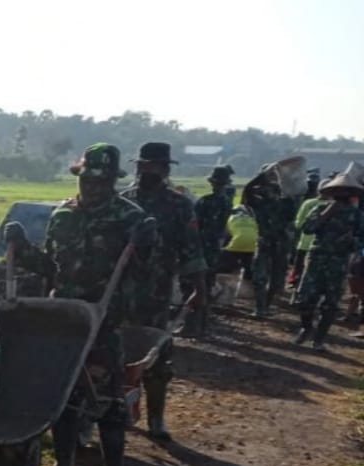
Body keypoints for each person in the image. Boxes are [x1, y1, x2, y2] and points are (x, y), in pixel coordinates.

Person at [4, 143, 153, 466]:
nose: (93, 187)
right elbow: (49, 266)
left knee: (107, 396)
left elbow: (144, 273)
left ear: (112, 181)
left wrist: (146, 246)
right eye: (87, 179)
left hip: (104, 317)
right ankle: (64, 464)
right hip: (65, 317)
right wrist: (21, 248)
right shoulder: (63, 215)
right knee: (63, 391)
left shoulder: (129, 217)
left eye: (101, 181)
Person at [120, 142, 206, 440]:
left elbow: (192, 250)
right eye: (143, 165)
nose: (147, 171)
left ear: (165, 169)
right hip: (118, 293)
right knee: (114, 355)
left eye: (154, 166)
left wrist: (198, 288)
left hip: (156, 294)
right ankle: (118, 411)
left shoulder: (179, 205)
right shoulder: (122, 202)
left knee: (156, 357)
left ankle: (155, 419)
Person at [292, 171, 364, 349]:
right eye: (339, 190)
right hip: (316, 257)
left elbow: (361, 241)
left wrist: (351, 241)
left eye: (346, 190)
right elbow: (307, 229)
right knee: (305, 299)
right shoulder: (319, 208)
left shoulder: (357, 215)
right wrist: (327, 213)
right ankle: (306, 327)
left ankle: (319, 339)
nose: (342, 193)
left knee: (330, 303)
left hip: (339, 261)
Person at [243, 165, 297, 317]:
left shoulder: (286, 203)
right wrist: (262, 176)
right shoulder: (258, 203)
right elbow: (247, 191)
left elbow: (291, 197)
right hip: (265, 242)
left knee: (276, 279)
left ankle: (264, 306)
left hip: (280, 243)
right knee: (260, 277)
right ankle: (261, 308)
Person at [194, 165, 235, 306]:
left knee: (197, 275)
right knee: (209, 275)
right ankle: (205, 303)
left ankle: (198, 304)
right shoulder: (227, 202)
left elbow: (194, 222)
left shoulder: (204, 201)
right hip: (216, 242)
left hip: (201, 242)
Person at [288, 168, 322, 290]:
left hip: (304, 241)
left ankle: (295, 283)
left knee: (299, 265)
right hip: (320, 245)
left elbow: (298, 223)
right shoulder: (333, 205)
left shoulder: (307, 202)